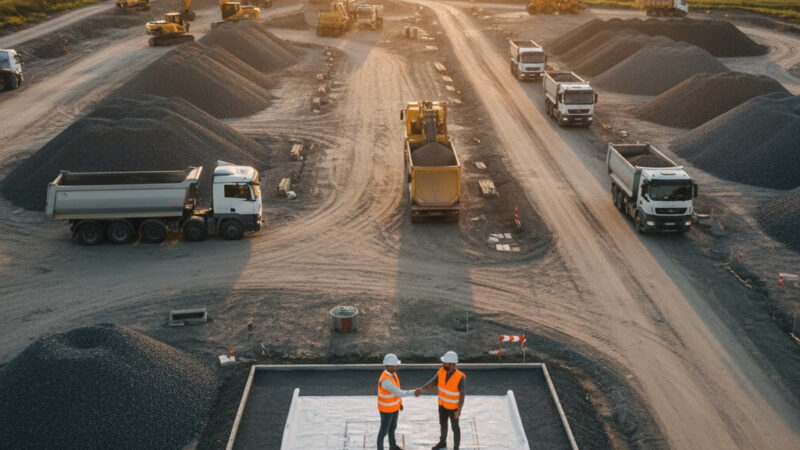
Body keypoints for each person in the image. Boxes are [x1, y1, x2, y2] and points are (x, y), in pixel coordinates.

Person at [415, 351, 465, 450]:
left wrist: (459, 410)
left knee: (455, 428)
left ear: (451, 364)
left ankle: (456, 447)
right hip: (442, 405)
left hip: (453, 407)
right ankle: (443, 443)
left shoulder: (460, 377)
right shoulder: (441, 371)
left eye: (445, 362)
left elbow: (462, 395)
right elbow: (433, 382)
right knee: (443, 425)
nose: (443, 364)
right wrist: (422, 389)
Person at [377, 353, 415, 450]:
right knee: (384, 431)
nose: (397, 366)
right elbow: (399, 392)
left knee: (392, 428)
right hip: (386, 410)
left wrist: (400, 403)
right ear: (389, 366)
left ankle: (392, 446)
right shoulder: (386, 381)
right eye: (395, 365)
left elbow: (396, 391)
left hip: (394, 408)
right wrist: (414, 392)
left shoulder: (393, 374)